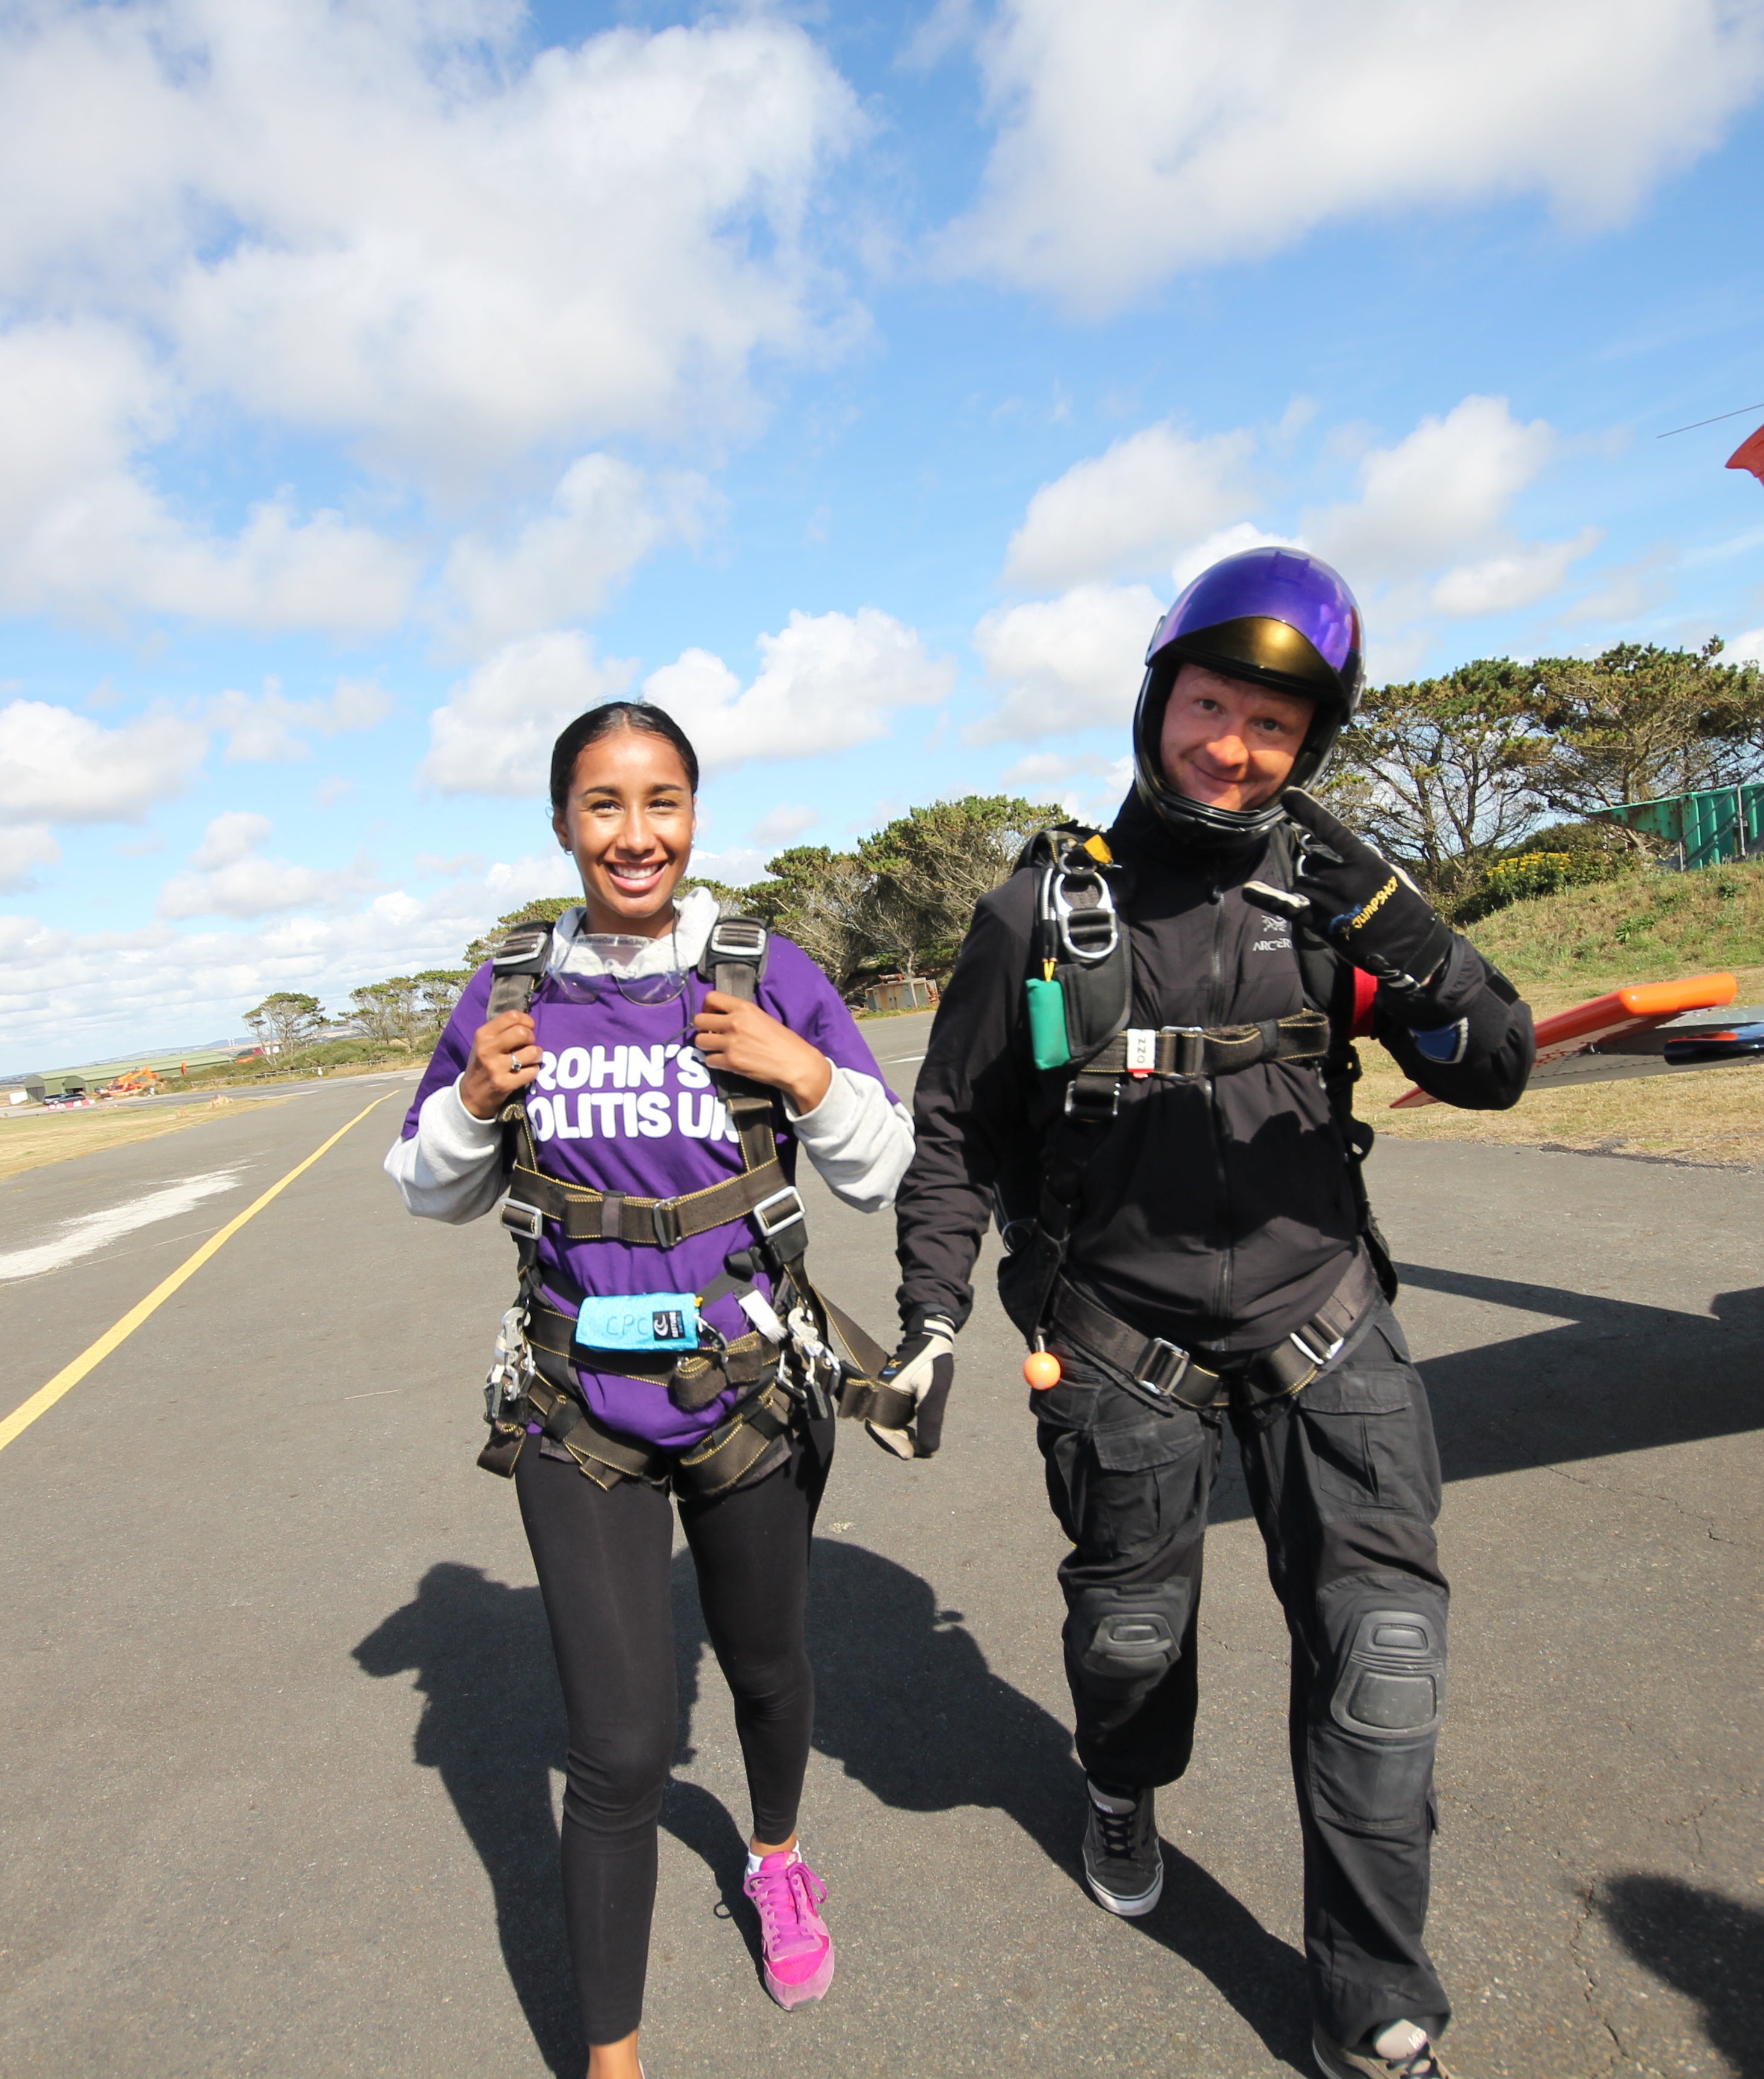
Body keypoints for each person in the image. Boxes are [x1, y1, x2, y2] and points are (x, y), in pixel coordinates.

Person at [867, 547, 1533, 2079]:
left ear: (1312, 747)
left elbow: (1492, 1058)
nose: (1231, 748)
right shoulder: (1043, 906)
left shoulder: (1331, 891)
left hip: (1326, 1322)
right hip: (1118, 1344)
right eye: (1210, 705)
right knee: (1130, 1641)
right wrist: (928, 1319)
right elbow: (958, 1128)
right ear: (1159, 698)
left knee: (1384, 1662)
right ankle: (1120, 1773)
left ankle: (1373, 1997)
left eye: (1274, 728)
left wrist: (1410, 940)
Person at [386, 701, 912, 2079]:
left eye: (662, 801)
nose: (636, 835)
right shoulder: (507, 993)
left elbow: (880, 1170)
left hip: (748, 1398)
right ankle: (612, 2065)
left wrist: (803, 1070)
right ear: (562, 822)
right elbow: (426, 1190)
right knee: (615, 1755)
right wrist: (471, 1108)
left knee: (765, 1668)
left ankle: (779, 1858)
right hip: (576, 1409)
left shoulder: (763, 969)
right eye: (605, 805)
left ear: (696, 814)